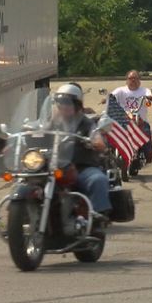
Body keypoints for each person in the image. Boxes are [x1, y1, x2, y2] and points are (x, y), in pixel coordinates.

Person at [52, 84, 112, 216]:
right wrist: (18, 142)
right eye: (61, 102)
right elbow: (37, 133)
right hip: (54, 168)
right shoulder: (52, 122)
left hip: (81, 167)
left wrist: (96, 142)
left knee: (98, 179)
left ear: (78, 105)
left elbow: (97, 137)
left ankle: (98, 218)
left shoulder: (86, 123)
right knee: (30, 179)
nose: (64, 106)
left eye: (69, 103)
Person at [111, 70, 152, 163]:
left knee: (145, 134)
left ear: (139, 80)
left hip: (140, 121)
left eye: (135, 78)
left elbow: (151, 95)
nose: (133, 80)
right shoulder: (120, 90)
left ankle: (148, 153)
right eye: (130, 78)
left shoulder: (144, 90)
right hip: (124, 121)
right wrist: (106, 99)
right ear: (126, 80)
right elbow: (111, 96)